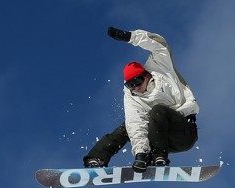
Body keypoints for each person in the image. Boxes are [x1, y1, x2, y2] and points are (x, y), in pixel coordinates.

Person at [83, 27, 199, 172]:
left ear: (146, 75)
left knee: (158, 111)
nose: (136, 88)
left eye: (137, 82)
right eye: (130, 85)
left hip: (183, 132)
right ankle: (97, 158)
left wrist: (130, 37)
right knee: (129, 126)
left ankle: (158, 155)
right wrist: (141, 154)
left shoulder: (160, 67)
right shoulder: (132, 96)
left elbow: (159, 45)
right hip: (160, 139)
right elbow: (135, 123)